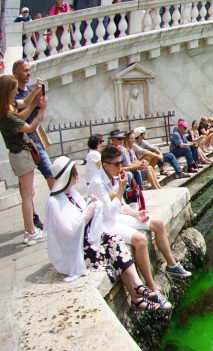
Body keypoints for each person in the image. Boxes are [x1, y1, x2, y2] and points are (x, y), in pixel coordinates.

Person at [45, 156, 161, 310]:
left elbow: (80, 215)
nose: (77, 175)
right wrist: (88, 212)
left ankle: (137, 290)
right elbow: (69, 231)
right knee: (111, 253)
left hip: (86, 240)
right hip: (75, 250)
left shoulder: (71, 193)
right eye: (74, 172)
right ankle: (137, 295)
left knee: (116, 241)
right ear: (67, 176)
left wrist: (88, 204)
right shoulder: (54, 202)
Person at [89, 144, 191, 308]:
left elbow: (121, 205)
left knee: (157, 222)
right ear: (106, 165)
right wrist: (121, 188)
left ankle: (172, 265)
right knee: (140, 240)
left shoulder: (114, 176)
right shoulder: (98, 183)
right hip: (105, 223)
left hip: (117, 217)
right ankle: (153, 291)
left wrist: (136, 214)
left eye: (121, 162)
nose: (120, 167)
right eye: (117, 164)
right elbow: (108, 211)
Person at [0, 75, 46, 245]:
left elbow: (25, 104)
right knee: (27, 196)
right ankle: (31, 232)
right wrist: (41, 112)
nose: (16, 92)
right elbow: (29, 127)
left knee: (29, 193)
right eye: (14, 90)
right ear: (8, 92)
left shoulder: (9, 106)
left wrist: (35, 95)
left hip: (19, 153)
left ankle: (29, 230)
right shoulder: (7, 115)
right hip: (20, 153)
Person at [12, 60, 54, 229]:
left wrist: (41, 103)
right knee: (27, 188)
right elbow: (20, 117)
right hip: (23, 142)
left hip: (34, 138)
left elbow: (36, 113)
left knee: (50, 171)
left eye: (29, 70)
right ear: (15, 73)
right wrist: (36, 105)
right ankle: (33, 218)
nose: (28, 73)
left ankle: (61, 205)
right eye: (25, 70)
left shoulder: (30, 91)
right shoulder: (12, 95)